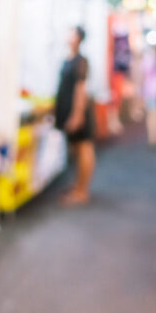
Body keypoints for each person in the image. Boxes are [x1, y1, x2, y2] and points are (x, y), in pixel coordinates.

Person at [56, 26, 96, 205]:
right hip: (68, 110)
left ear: (78, 38)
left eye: (71, 32)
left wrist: (77, 114)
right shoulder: (69, 59)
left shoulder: (81, 61)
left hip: (77, 111)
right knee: (76, 149)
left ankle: (82, 190)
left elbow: (80, 89)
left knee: (83, 148)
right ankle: (77, 185)